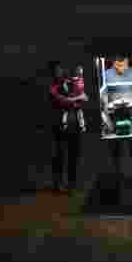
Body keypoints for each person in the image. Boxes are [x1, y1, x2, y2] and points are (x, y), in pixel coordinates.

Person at [48, 61, 86, 193]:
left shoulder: (69, 81)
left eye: (60, 70)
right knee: (59, 154)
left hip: (73, 122)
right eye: (56, 71)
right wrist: (78, 98)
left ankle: (71, 184)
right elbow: (62, 100)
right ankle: (57, 184)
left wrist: (78, 98)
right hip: (59, 124)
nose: (59, 72)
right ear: (52, 73)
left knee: (73, 154)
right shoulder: (52, 86)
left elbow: (78, 96)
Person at [60, 65, 86, 133]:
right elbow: (65, 85)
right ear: (77, 71)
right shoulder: (70, 80)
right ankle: (64, 125)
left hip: (78, 99)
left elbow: (81, 89)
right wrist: (69, 94)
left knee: (79, 112)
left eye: (82, 70)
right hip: (71, 98)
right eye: (80, 70)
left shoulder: (81, 79)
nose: (81, 71)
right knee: (66, 111)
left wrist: (82, 95)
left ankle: (82, 127)